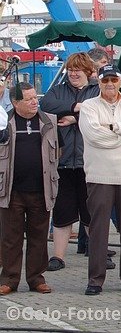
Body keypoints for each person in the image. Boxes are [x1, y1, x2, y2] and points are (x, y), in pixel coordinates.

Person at [79, 64, 121, 296]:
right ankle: (95, 280)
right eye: (105, 80)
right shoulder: (89, 106)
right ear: (99, 82)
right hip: (99, 175)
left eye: (113, 80)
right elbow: (94, 135)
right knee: (98, 228)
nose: (109, 84)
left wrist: (115, 127)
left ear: (120, 81)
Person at [40, 52, 100, 272]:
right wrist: (77, 107)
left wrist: (75, 117)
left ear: (87, 71)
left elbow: (102, 111)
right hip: (64, 161)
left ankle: (98, 252)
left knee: (91, 212)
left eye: (78, 70)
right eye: (71, 69)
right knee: (63, 212)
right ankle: (58, 256)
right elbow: (47, 104)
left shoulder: (97, 90)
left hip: (90, 161)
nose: (73, 73)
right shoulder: (58, 90)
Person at [0, 82, 58, 296]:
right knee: (10, 237)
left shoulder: (48, 121)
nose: (35, 102)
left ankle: (36, 278)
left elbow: (57, 152)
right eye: (29, 99)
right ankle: (9, 279)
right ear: (15, 103)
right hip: (11, 190)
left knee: (39, 236)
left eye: (35, 97)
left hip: (41, 189)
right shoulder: (3, 122)